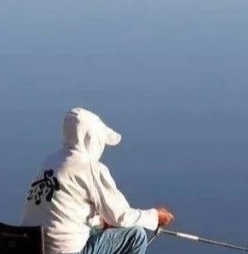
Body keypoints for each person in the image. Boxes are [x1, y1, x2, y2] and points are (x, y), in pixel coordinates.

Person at [20, 107, 174, 254]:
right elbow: (120, 216)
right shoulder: (89, 167)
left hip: (29, 249)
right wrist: (154, 217)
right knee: (136, 236)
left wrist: (100, 222)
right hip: (63, 251)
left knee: (97, 228)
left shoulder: (50, 162)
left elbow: (63, 212)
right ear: (91, 139)